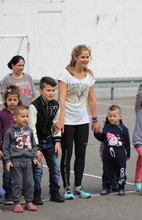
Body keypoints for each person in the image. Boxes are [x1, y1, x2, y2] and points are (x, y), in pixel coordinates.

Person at [54, 45, 101, 199]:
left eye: (87, 57)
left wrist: (94, 119)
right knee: (67, 154)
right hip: (67, 120)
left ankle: (78, 186)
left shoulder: (89, 76)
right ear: (75, 57)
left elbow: (91, 99)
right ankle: (67, 187)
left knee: (81, 154)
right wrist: (61, 120)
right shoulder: (65, 74)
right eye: (82, 57)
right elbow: (61, 98)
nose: (85, 60)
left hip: (82, 120)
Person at [28, 77, 64, 204]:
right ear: (40, 91)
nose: (51, 93)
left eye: (53, 90)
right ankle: (36, 194)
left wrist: (57, 142)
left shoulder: (56, 105)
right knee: (38, 170)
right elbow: (32, 128)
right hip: (37, 142)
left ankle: (54, 192)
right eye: (48, 90)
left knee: (55, 168)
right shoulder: (34, 106)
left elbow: (56, 125)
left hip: (50, 141)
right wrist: (36, 148)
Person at [2, 105, 40, 213]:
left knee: (29, 183)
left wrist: (34, 157)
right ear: (15, 118)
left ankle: (29, 202)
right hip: (16, 162)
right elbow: (5, 148)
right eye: (22, 116)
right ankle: (17, 203)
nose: (25, 119)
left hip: (28, 161)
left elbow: (33, 145)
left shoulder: (29, 130)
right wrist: (8, 161)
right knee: (17, 183)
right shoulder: (10, 131)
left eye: (27, 116)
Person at [94, 105, 131, 196]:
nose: (112, 118)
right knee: (107, 170)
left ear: (120, 117)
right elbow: (103, 138)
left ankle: (121, 187)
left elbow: (127, 142)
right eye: (110, 116)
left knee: (121, 170)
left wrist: (128, 154)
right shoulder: (106, 128)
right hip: (107, 153)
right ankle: (106, 187)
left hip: (120, 153)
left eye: (114, 116)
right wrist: (96, 133)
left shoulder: (123, 129)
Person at [0, 84, 22, 205]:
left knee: (20, 172)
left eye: (15, 99)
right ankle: (8, 194)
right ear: (5, 100)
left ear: (18, 100)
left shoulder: (21, 113)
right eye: (10, 100)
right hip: (7, 149)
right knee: (8, 173)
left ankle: (20, 193)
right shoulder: (2, 114)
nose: (12, 102)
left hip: (20, 148)